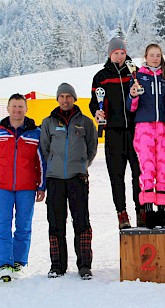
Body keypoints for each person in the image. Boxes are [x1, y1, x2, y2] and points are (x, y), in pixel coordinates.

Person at [41, 83, 98, 279]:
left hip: (77, 178)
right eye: (62, 96)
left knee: (81, 222)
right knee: (56, 223)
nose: (65, 100)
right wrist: (54, 165)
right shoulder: (48, 122)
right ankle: (57, 265)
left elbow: (91, 148)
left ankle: (84, 266)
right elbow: (45, 149)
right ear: (57, 99)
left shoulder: (86, 122)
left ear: (74, 98)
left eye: (68, 96)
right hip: (55, 179)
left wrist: (82, 166)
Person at [89, 37, 142, 229]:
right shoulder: (101, 76)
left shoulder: (134, 73)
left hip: (135, 131)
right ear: (110, 54)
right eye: (115, 53)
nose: (119, 57)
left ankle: (141, 210)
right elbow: (94, 103)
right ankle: (121, 212)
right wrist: (97, 112)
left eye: (122, 53)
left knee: (139, 174)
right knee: (116, 175)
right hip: (113, 132)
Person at [126, 44, 165, 229]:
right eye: (151, 55)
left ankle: (162, 213)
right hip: (144, 127)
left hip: (164, 127)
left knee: (163, 169)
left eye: (158, 55)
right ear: (145, 57)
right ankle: (148, 213)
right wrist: (133, 94)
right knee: (147, 170)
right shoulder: (138, 77)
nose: (155, 58)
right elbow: (131, 106)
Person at [0, 94, 46, 282]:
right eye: (14, 106)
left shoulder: (35, 133)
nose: (17, 110)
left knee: (23, 226)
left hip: (27, 187)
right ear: (8, 108)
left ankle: (20, 263)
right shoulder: (1, 131)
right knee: (2, 225)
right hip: (2, 187)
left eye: (21, 106)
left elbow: (41, 161)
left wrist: (42, 185)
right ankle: (4, 263)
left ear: (26, 109)